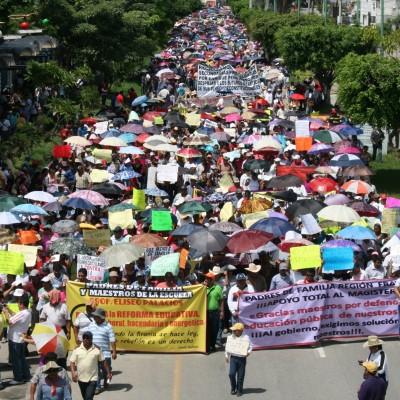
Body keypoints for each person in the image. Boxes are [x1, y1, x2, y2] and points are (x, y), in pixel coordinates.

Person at [70, 330, 112, 400]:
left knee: (89, 397)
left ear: (91, 339)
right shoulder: (77, 349)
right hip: (81, 378)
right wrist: (73, 373)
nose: (86, 339)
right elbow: (72, 362)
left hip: (93, 378)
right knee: (85, 397)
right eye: (84, 337)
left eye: (87, 337)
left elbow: (103, 362)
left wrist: (108, 373)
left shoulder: (97, 349)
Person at [2, 294, 32, 385]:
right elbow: (16, 316)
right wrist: (10, 310)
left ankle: (18, 378)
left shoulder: (23, 313)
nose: (18, 305)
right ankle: (26, 376)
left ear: (21, 304)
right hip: (20, 339)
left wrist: (6, 313)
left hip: (15, 340)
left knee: (16, 360)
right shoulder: (27, 312)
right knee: (21, 358)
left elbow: (10, 322)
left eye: (18, 303)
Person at [87, 308, 116, 395]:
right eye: (94, 316)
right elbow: (88, 337)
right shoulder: (91, 325)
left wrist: (114, 352)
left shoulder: (108, 326)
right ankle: (97, 387)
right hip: (93, 352)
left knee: (106, 370)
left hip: (105, 353)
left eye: (96, 316)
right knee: (96, 371)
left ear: (101, 317)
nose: (94, 317)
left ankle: (107, 380)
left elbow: (112, 340)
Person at [225, 322, 252, 397]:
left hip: (242, 359)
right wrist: (226, 356)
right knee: (231, 374)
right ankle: (233, 387)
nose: (233, 331)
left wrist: (249, 352)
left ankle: (239, 390)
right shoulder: (231, 337)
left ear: (240, 331)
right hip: (233, 358)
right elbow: (227, 347)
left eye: (235, 330)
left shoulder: (246, 338)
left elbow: (251, 346)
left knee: (240, 375)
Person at [203, 271, 224, 354]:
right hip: (205, 312)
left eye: (208, 279)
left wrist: (222, 311)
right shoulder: (203, 287)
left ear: (212, 280)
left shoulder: (217, 288)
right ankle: (207, 348)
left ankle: (212, 345)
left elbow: (221, 300)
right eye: (206, 278)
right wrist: (203, 287)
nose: (206, 280)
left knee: (214, 330)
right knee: (207, 331)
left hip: (215, 312)